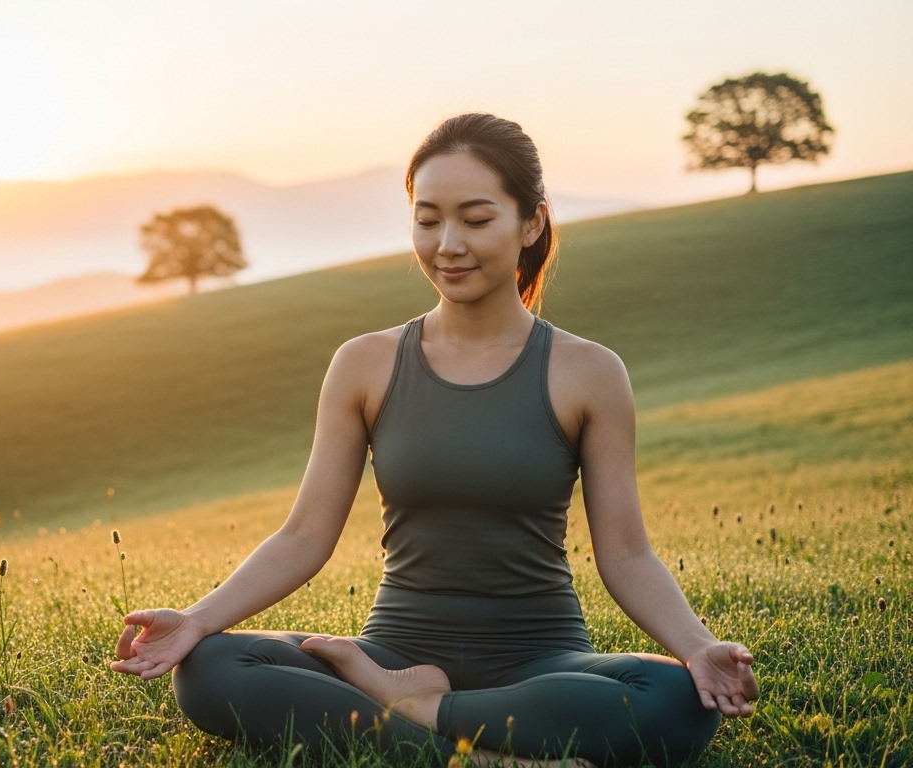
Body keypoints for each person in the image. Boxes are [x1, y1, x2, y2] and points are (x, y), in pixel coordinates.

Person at [109, 113, 760, 767]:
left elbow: (625, 554)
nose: (449, 243)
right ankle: (471, 754)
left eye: (476, 220)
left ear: (531, 222)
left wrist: (697, 646)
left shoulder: (589, 372)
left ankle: (419, 713)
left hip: (540, 659)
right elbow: (304, 536)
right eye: (428, 220)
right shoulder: (365, 364)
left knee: (677, 698)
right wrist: (196, 620)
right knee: (211, 668)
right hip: (393, 649)